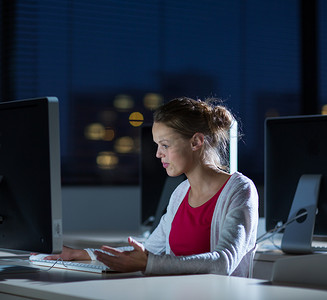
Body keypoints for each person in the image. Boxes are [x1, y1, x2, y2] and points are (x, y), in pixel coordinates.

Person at [44, 97, 259, 276]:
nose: (158, 154)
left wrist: (148, 264)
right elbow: (149, 251)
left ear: (196, 142)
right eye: (157, 145)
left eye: (165, 145)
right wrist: (82, 254)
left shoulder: (239, 190)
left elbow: (223, 262)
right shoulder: (181, 194)